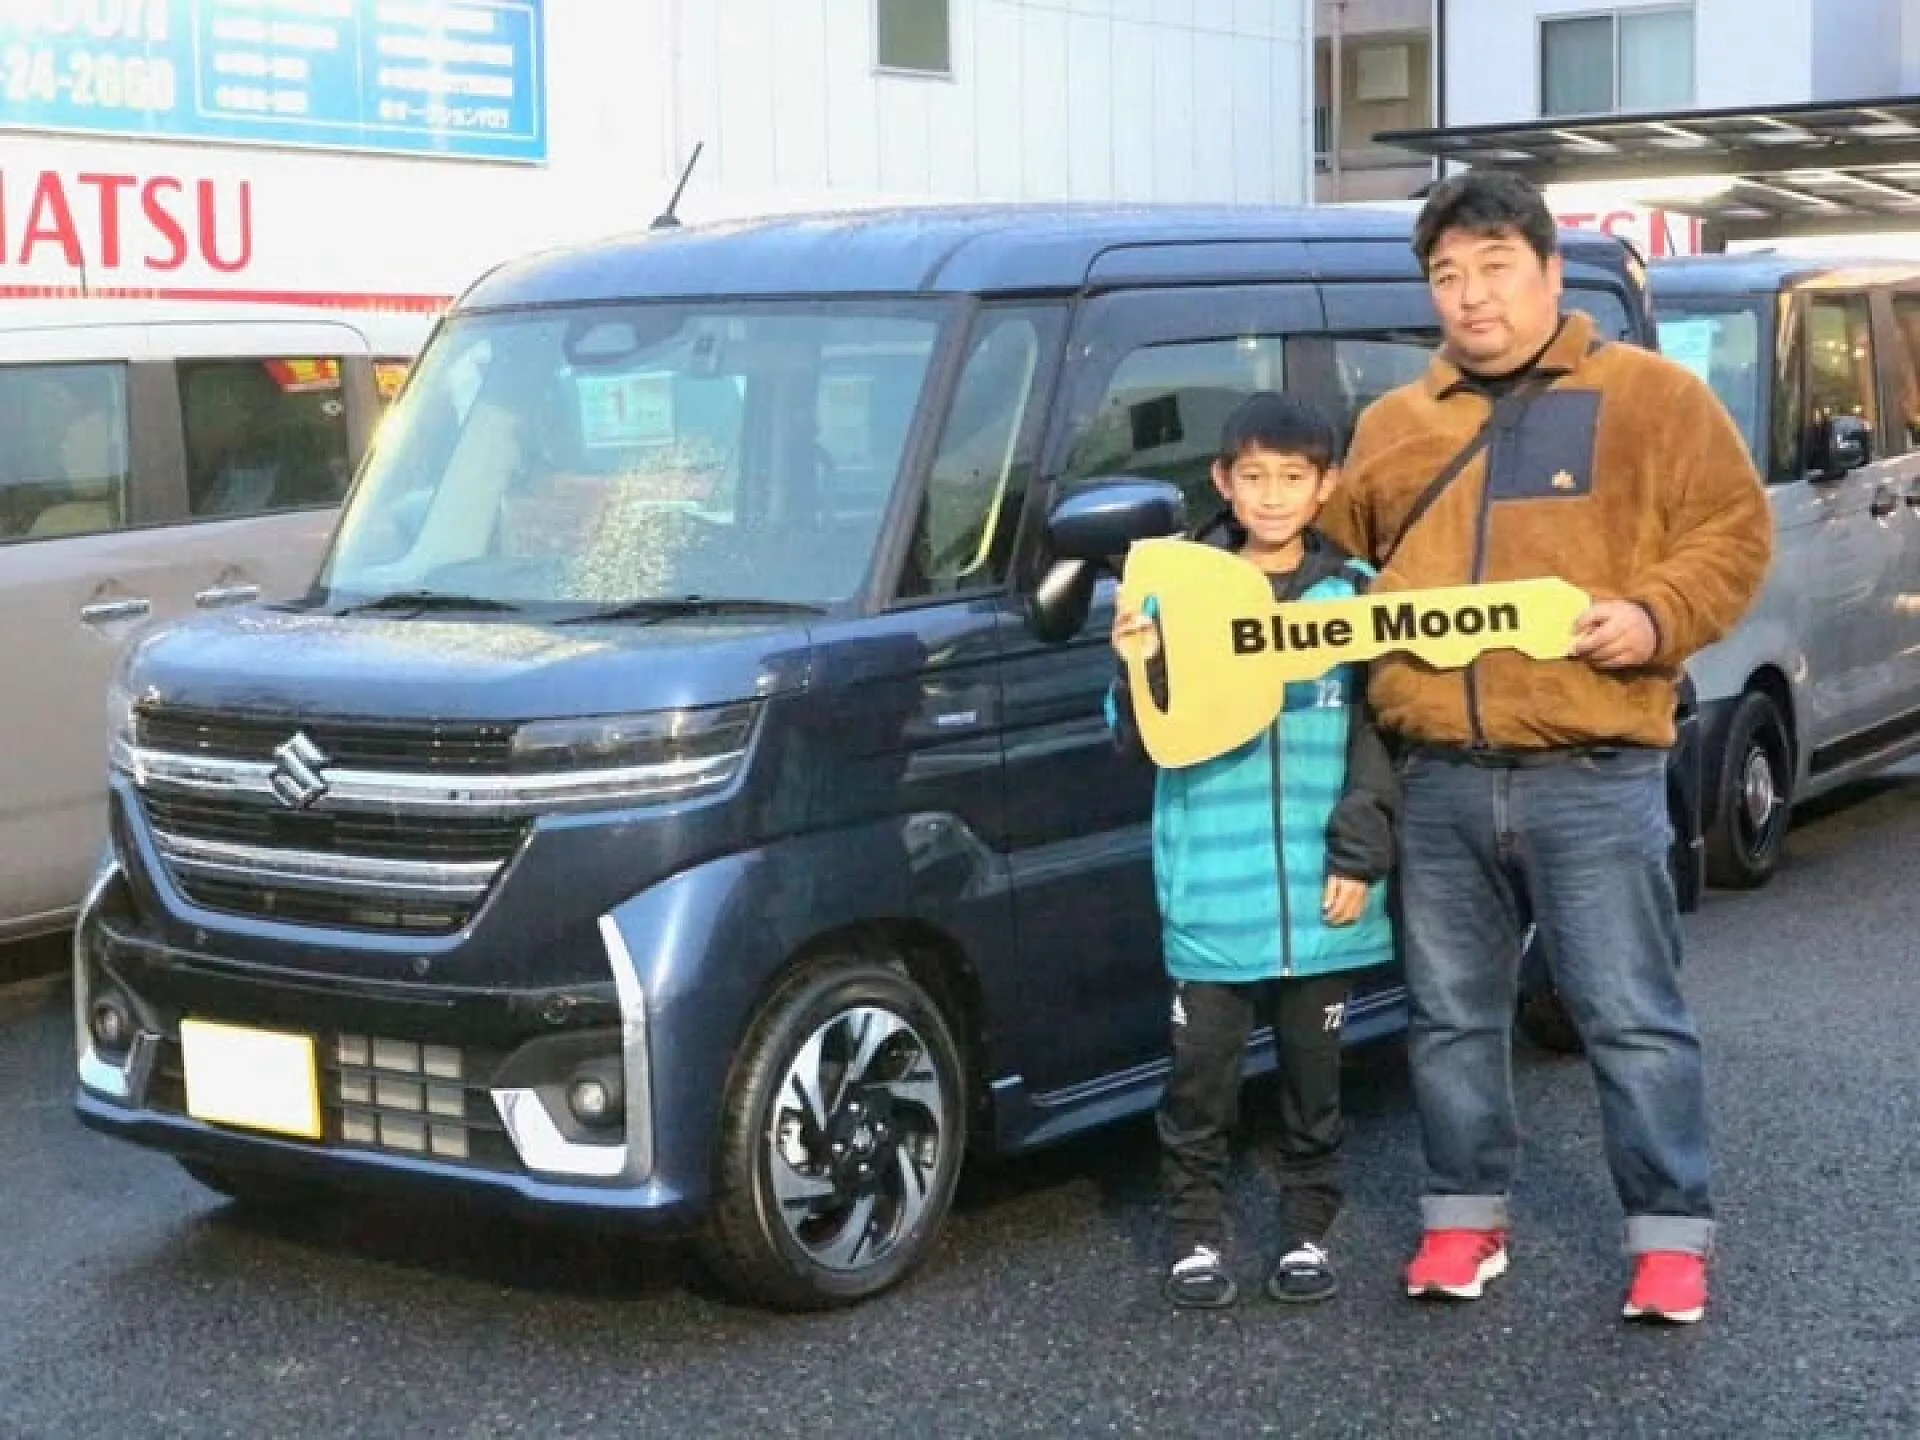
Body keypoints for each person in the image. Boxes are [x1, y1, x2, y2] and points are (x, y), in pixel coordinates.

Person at [1317, 170, 1773, 1325]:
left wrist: (1656, 617)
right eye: (1447, 275)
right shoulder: (1393, 425)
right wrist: (1179, 606)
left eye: (1495, 268)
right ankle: (1462, 1219)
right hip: (1436, 774)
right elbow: (1322, 573)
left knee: (1628, 1013)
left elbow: (1733, 532)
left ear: (1551, 272)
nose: (1472, 295)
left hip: (1595, 768)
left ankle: (1668, 1237)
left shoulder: (1652, 398)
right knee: (1449, 1018)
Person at [1108, 392, 1397, 1308]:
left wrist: (1359, 854)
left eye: (1293, 477)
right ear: (1223, 481)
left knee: (1317, 1082)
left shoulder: (1358, 593)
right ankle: (1195, 1235)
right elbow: (1134, 735)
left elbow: (1380, 731)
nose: (1272, 495)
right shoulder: (1175, 588)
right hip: (1212, 883)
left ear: (1325, 485)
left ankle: (1308, 1230)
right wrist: (1139, 663)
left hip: (1323, 888)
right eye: (1254, 476)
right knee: (1201, 1082)